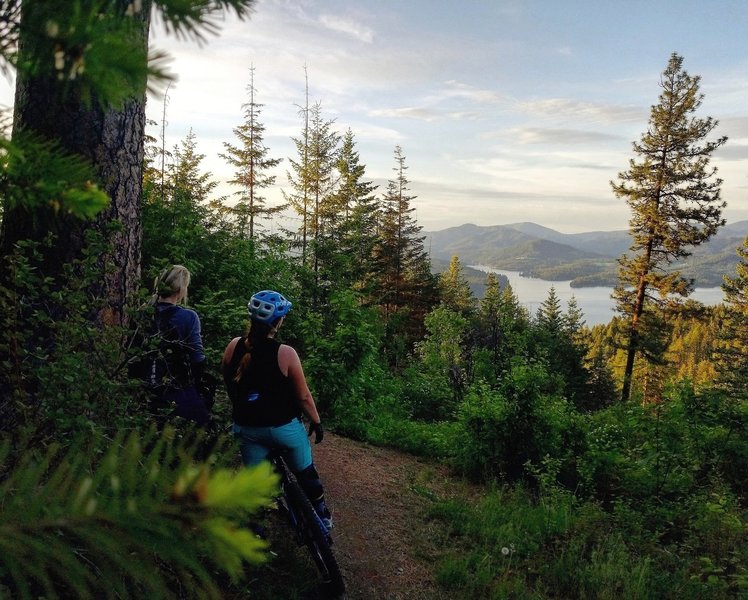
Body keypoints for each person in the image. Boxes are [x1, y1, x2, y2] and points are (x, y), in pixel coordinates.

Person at [222, 290, 332, 530]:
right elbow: (303, 396)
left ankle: (256, 531)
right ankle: (322, 515)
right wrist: (316, 421)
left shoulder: (233, 347)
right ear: (278, 322)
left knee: (257, 486)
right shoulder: (285, 353)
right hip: (283, 428)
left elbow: (230, 383)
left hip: (247, 428)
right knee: (305, 473)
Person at [150, 264, 211, 427]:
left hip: (146, 385)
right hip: (176, 385)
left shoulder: (143, 313)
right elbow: (197, 357)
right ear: (181, 290)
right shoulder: (188, 317)